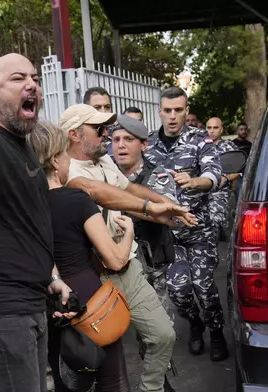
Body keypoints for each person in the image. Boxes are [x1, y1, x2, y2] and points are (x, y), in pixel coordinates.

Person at [0, 2, 193, 390]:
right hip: (1, 308)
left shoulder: (24, 146)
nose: (31, 84)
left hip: (34, 298)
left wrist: (50, 278)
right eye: (16, 78)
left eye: (34, 77)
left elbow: (31, 224)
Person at [60, 103, 178, 392]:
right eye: (99, 129)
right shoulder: (65, 169)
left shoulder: (104, 160)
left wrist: (163, 207)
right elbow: (101, 194)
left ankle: (151, 388)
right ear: (74, 134)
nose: (107, 134)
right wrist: (150, 207)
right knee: (101, 361)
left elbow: (127, 191)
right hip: (96, 276)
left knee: (163, 335)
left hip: (129, 267)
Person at [27, 121, 132, 392]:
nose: (68, 162)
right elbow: (115, 260)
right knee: (112, 377)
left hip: (47, 302)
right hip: (89, 299)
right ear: (54, 160)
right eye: (65, 155)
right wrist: (128, 233)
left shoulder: (24, 206)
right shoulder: (77, 200)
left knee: (66, 379)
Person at [146, 87, 229, 362]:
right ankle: (195, 323)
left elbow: (215, 175)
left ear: (185, 109)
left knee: (204, 287)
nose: (172, 116)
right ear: (159, 110)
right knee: (179, 291)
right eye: (167, 110)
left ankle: (216, 332)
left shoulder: (199, 141)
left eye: (178, 110)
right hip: (169, 235)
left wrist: (195, 181)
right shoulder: (149, 146)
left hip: (199, 231)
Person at [112, 114, 179, 391]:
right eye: (115, 140)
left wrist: (109, 200)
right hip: (115, 267)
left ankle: (160, 383)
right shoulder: (103, 173)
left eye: (128, 140)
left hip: (151, 271)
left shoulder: (159, 175)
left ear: (144, 145)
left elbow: (168, 213)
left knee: (158, 335)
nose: (120, 145)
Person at [206, 117, 241, 241]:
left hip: (219, 192)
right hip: (202, 192)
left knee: (215, 220)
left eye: (215, 128)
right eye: (209, 128)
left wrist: (226, 178)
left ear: (221, 130)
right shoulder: (200, 146)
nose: (212, 131)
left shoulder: (229, 147)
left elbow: (239, 170)